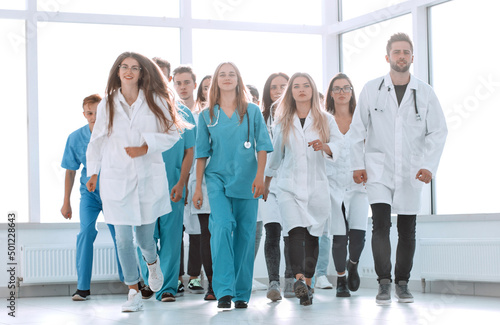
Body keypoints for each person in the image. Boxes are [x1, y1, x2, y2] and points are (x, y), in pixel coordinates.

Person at [86, 52, 191, 312]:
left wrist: (147, 147)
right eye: (124, 67)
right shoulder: (108, 103)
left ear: (142, 72)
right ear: (118, 71)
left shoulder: (156, 99)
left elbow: (173, 134)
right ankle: (133, 290)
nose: (129, 71)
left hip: (146, 177)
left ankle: (152, 264)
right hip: (115, 178)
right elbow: (97, 139)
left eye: (134, 67)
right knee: (122, 239)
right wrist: (93, 172)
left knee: (145, 239)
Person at [350, 33, 447, 305]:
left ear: (412, 57)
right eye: (397, 52)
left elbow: (438, 131)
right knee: (380, 225)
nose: (401, 56)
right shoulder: (371, 89)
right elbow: (357, 131)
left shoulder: (425, 92)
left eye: (406, 52)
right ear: (387, 57)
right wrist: (357, 164)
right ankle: (383, 283)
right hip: (378, 169)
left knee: (407, 228)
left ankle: (402, 283)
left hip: (412, 170)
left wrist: (429, 166)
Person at [193, 62, 273, 309]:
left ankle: (240, 293)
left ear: (238, 80)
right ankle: (223, 290)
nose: (227, 78)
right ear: (216, 81)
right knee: (222, 227)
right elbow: (201, 153)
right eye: (222, 75)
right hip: (216, 177)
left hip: (248, 180)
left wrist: (260, 177)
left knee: (246, 235)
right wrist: (197, 187)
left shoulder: (252, 111)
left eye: (232, 74)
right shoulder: (206, 115)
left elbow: (262, 146)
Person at [264, 72, 340, 306]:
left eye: (306, 85)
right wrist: (266, 183)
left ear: (312, 89)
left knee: (313, 236)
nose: (301, 89)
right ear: (291, 92)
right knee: (295, 232)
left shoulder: (326, 120)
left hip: (316, 187)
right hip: (289, 186)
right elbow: (275, 156)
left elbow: (340, 146)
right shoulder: (283, 121)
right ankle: (298, 279)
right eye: (296, 86)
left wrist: (326, 146)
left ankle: (307, 284)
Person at [138, 63, 198, 303]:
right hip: (144, 184)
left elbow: (189, 151)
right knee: (146, 236)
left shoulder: (183, 112)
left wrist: (182, 182)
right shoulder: (139, 111)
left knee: (172, 237)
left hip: (173, 183)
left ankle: (168, 288)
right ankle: (151, 282)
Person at [61, 94, 124, 301]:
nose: (94, 117)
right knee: (86, 233)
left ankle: (131, 282)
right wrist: (66, 202)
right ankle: (83, 287)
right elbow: (70, 171)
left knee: (121, 236)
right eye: (89, 113)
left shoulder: (114, 135)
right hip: (89, 195)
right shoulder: (75, 138)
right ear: (84, 114)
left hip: (112, 192)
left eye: (98, 113)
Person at [325, 73, 369, 297]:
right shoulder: (324, 120)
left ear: (352, 92)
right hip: (333, 183)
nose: (342, 92)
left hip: (358, 184)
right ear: (331, 94)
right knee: (339, 235)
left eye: (346, 88)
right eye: (337, 89)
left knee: (358, 234)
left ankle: (353, 264)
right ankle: (341, 279)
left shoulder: (362, 119)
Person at [259, 72, 296, 301]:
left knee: (291, 234)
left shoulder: (295, 118)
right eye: (274, 87)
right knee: (272, 231)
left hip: (290, 184)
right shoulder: (259, 118)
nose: (279, 90)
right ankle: (274, 282)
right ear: (267, 91)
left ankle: (290, 280)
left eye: (284, 86)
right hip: (266, 184)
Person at [186, 74, 216, 300]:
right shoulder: (196, 118)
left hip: (228, 183)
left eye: (210, 87)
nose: (208, 91)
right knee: (205, 234)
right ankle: (213, 285)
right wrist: (193, 186)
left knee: (224, 235)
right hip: (202, 182)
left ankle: (227, 281)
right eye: (205, 88)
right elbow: (194, 154)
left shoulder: (237, 115)